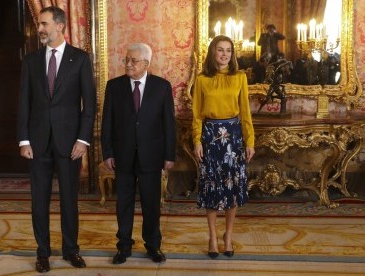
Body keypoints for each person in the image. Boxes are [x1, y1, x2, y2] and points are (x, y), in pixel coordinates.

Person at [17, 6, 96, 273]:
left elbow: (90, 105)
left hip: (69, 143)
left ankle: (71, 250)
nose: (40, 28)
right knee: (39, 200)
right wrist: (24, 140)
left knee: (69, 200)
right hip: (37, 144)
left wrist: (83, 140)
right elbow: (24, 105)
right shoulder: (31, 61)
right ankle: (43, 252)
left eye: (44, 24)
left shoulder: (81, 59)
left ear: (60, 26)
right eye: (40, 24)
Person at [101, 43, 176, 265]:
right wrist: (107, 152)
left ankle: (153, 245)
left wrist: (169, 155)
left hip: (151, 155)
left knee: (151, 203)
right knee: (123, 202)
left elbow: (168, 124)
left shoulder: (162, 87)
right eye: (126, 60)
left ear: (146, 63)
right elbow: (107, 123)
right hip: (122, 156)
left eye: (133, 61)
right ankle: (123, 246)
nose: (128, 64)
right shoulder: (113, 86)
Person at [192, 35, 255, 259]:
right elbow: (197, 114)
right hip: (210, 137)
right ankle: (212, 237)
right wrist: (197, 140)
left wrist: (250, 141)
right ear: (212, 52)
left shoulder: (239, 77)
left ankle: (228, 236)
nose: (225, 54)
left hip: (233, 138)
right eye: (220, 50)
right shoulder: (202, 79)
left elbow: (245, 112)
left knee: (232, 190)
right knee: (212, 189)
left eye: (228, 50)